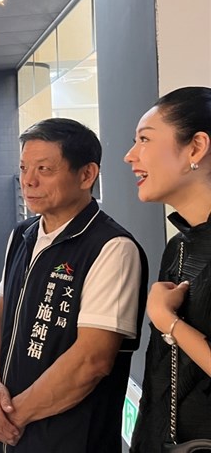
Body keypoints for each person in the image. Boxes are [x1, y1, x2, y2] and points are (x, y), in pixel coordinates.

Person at [0, 118, 147, 452]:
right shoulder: (22, 236)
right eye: (24, 167)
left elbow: (92, 360)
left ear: (86, 175)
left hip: (69, 439)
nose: (28, 180)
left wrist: (12, 417)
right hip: (9, 432)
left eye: (45, 169)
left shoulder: (110, 247)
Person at [125, 87, 211, 452]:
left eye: (144, 139)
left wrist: (167, 320)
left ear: (195, 148)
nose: (130, 156)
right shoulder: (179, 246)